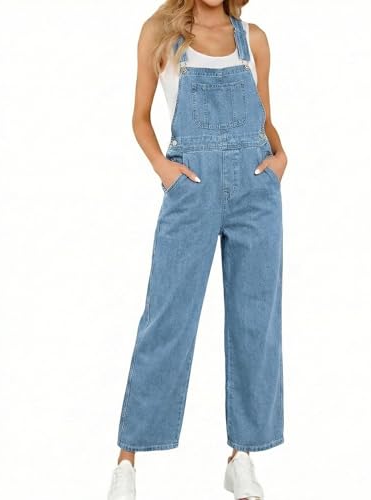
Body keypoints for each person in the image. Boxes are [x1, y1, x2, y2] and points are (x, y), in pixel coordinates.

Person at [107, 1, 287, 498]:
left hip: (255, 191)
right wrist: (165, 171)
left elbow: (265, 117)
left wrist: (281, 157)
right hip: (191, 190)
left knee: (255, 322)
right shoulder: (161, 34)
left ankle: (242, 456)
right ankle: (127, 459)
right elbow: (140, 119)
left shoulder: (253, 39)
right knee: (166, 319)